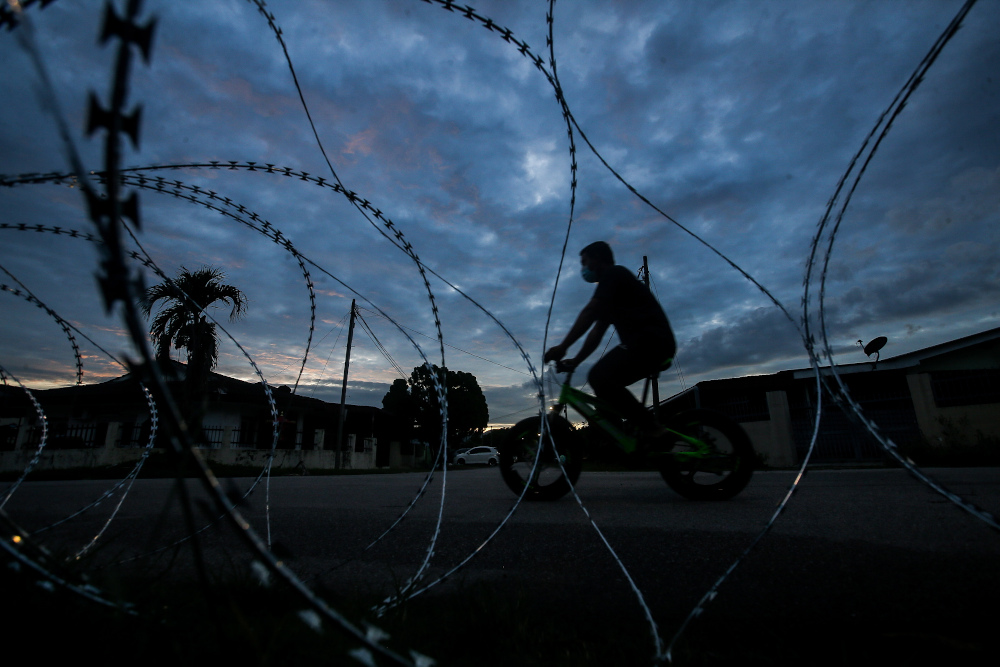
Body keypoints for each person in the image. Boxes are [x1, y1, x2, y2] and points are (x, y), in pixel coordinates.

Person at [544, 241, 676, 437]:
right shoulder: (611, 292)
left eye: (584, 262)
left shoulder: (614, 274)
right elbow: (596, 333)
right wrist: (575, 361)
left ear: (597, 259)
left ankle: (652, 429)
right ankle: (627, 437)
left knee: (599, 377)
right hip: (647, 344)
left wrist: (563, 347)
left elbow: (589, 312)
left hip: (650, 342)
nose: (583, 269)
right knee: (605, 391)